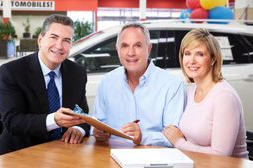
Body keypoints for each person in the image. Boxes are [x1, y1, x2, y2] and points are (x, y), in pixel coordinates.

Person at [0, 14, 90, 156]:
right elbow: (12, 121)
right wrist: (54, 120)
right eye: (54, 37)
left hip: (62, 153)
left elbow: (82, 114)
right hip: (19, 154)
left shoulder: (77, 73)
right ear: (40, 40)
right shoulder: (12, 72)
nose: (59, 45)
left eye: (66, 40)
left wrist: (79, 129)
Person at [92, 23, 186, 146]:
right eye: (125, 46)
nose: (131, 53)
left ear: (149, 49)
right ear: (117, 50)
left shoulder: (172, 85)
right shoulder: (106, 82)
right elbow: (97, 122)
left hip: (153, 158)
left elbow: (175, 137)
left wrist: (143, 137)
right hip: (110, 155)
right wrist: (97, 132)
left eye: (137, 45)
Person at [163, 28, 248, 158]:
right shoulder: (189, 90)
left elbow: (220, 155)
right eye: (187, 53)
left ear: (213, 59)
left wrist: (179, 143)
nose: (191, 60)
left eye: (200, 54)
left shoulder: (224, 97)